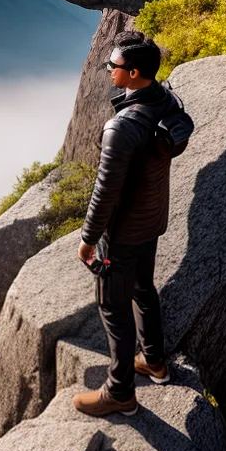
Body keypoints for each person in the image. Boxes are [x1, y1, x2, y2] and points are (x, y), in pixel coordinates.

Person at [72, 30, 182, 417]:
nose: (108, 70)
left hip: (120, 234)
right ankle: (154, 362)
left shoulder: (122, 128)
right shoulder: (164, 100)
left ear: (133, 73)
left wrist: (88, 240)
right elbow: (177, 134)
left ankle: (120, 393)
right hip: (151, 220)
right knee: (143, 288)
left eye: (113, 66)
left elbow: (105, 193)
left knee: (113, 310)